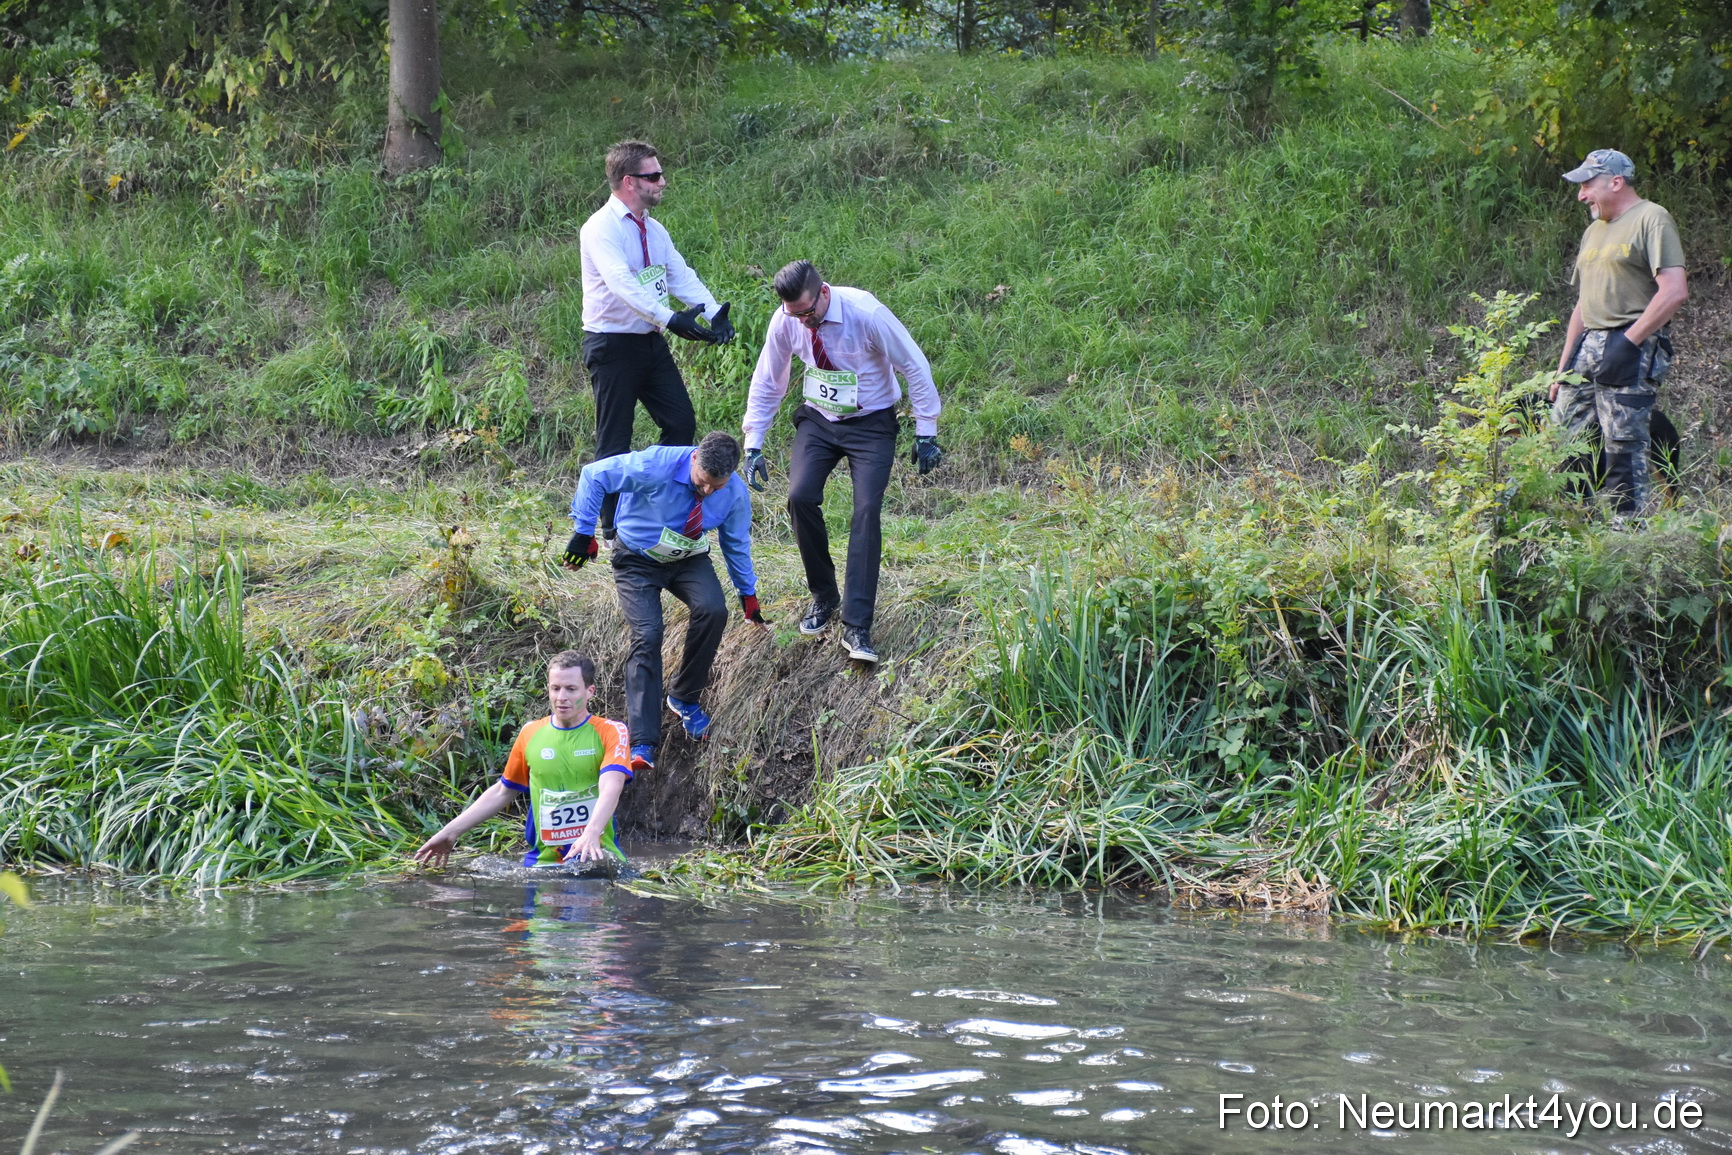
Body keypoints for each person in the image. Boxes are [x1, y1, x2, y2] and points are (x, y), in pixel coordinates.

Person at [740, 260, 943, 664]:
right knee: (799, 497)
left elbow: (913, 365)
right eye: (794, 314)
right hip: (819, 419)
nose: (803, 322)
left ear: (823, 293)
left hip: (871, 422)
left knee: (866, 510)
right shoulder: (786, 320)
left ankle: (857, 625)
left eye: (808, 312)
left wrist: (926, 431)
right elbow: (769, 378)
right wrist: (753, 442)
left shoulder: (865, 312)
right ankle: (824, 597)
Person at [563, 431, 767, 771]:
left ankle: (684, 697)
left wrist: (749, 594)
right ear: (695, 460)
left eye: (716, 486)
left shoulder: (732, 492)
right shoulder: (653, 465)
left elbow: (736, 543)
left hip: (687, 558)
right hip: (636, 560)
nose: (707, 491)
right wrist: (584, 533)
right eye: (703, 482)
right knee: (648, 635)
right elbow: (594, 474)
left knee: (714, 610)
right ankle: (642, 742)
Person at [580, 139, 737, 542]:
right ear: (630, 182)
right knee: (614, 438)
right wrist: (671, 319)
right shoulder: (600, 229)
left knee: (680, 423)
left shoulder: (653, 227)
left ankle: (660, 501)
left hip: (649, 342)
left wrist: (712, 310)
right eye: (654, 176)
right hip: (611, 345)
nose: (663, 181)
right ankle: (611, 527)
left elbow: (679, 274)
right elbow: (622, 285)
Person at [1550, 148, 1688, 517]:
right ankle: (1578, 527)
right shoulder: (1593, 231)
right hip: (1588, 347)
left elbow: (1674, 290)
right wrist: (1562, 370)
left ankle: (1627, 536)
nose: (1581, 195)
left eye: (1587, 185)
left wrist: (1628, 343)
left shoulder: (1652, 218)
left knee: (1622, 448)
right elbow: (1583, 304)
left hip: (1630, 343)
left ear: (1615, 182)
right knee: (1564, 441)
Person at [413, 651, 632, 868]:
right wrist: (449, 833)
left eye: (571, 689)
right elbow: (503, 791)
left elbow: (612, 785)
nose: (561, 697)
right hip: (542, 866)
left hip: (597, 861)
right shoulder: (531, 733)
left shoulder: (611, 731)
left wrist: (591, 832)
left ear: (589, 691)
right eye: (555, 688)